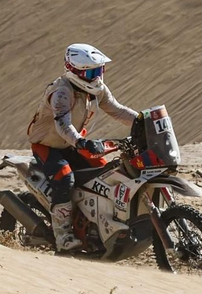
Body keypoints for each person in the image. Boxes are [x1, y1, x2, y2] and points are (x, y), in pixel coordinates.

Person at [25, 43, 138, 251]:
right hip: (48, 145)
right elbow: (62, 124)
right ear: (76, 72)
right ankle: (63, 236)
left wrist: (142, 121)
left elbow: (118, 110)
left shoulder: (97, 88)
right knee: (65, 177)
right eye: (92, 72)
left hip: (73, 143)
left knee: (106, 169)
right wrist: (80, 142)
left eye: (100, 70)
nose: (97, 76)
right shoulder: (61, 92)